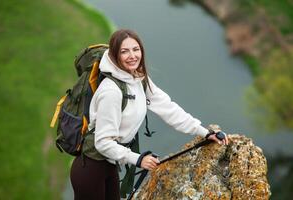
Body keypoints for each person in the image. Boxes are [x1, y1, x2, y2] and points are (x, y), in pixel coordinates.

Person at [70, 29, 229, 200]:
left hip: (109, 165)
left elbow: (168, 109)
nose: (132, 56)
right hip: (91, 169)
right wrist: (138, 159)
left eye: (135, 49)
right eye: (124, 51)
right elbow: (102, 142)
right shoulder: (111, 91)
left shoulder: (138, 78)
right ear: (115, 56)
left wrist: (204, 132)